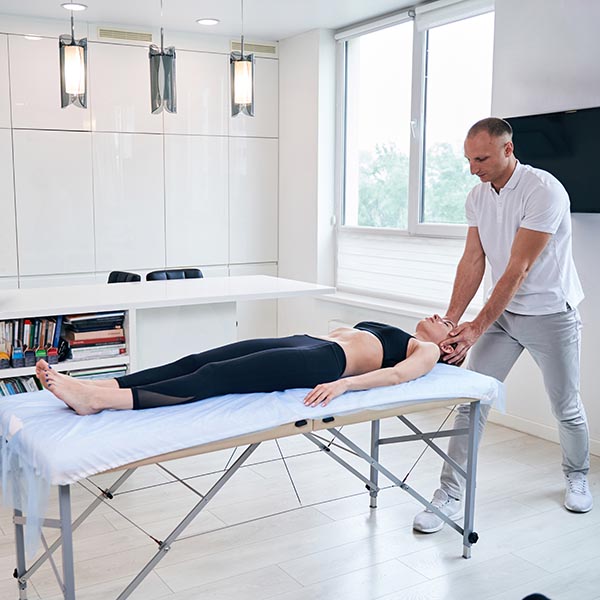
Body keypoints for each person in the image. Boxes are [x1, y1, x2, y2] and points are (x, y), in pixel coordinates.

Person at [412, 117, 592, 534]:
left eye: (481, 158)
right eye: (468, 159)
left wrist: (475, 328)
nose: (473, 168)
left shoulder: (543, 190)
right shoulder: (478, 196)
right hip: (505, 316)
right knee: (472, 399)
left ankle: (577, 474)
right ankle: (449, 497)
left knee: (565, 405)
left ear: (508, 150)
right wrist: (453, 322)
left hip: (551, 313)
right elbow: (474, 261)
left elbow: (518, 269)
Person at [36, 316, 456, 416]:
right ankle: (104, 380)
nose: (441, 318)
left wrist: (345, 386)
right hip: (307, 342)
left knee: (216, 378)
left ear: (448, 346)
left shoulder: (427, 350)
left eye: (448, 325)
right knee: (197, 359)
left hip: (325, 361)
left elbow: (397, 375)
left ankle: (99, 400)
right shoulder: (402, 330)